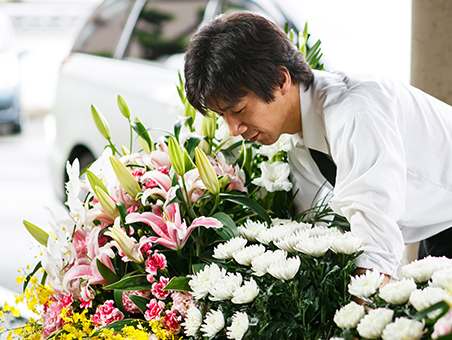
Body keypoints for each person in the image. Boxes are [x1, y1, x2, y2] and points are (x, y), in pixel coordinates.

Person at [183, 11, 452, 279]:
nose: (233, 129)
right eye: (222, 116)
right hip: (436, 223)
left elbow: (376, 248)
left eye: (239, 109)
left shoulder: (353, 115)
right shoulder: (300, 136)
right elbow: (314, 230)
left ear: (281, 80)